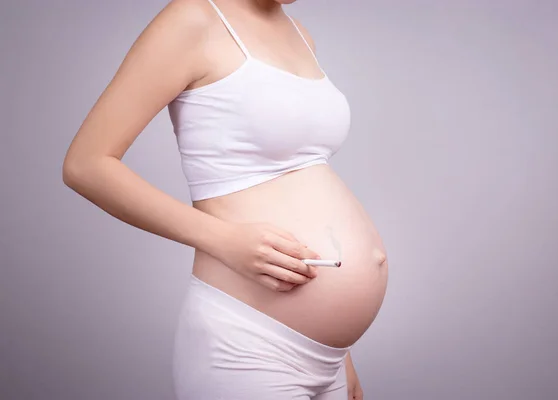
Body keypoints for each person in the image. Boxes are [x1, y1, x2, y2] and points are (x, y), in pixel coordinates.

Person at [62, 0, 388, 398]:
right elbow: (86, 164)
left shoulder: (299, 32)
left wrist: (340, 350)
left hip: (326, 357)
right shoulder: (191, 20)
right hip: (246, 345)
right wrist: (223, 240)